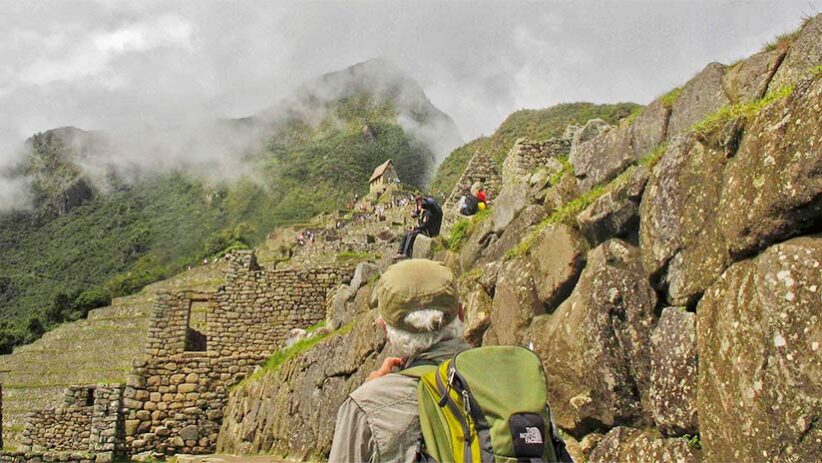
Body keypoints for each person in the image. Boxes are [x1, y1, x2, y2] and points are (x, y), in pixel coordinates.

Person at [329, 259, 470, 463]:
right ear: (461, 313)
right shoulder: (515, 381)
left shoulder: (365, 409)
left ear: (385, 329)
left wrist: (372, 397)